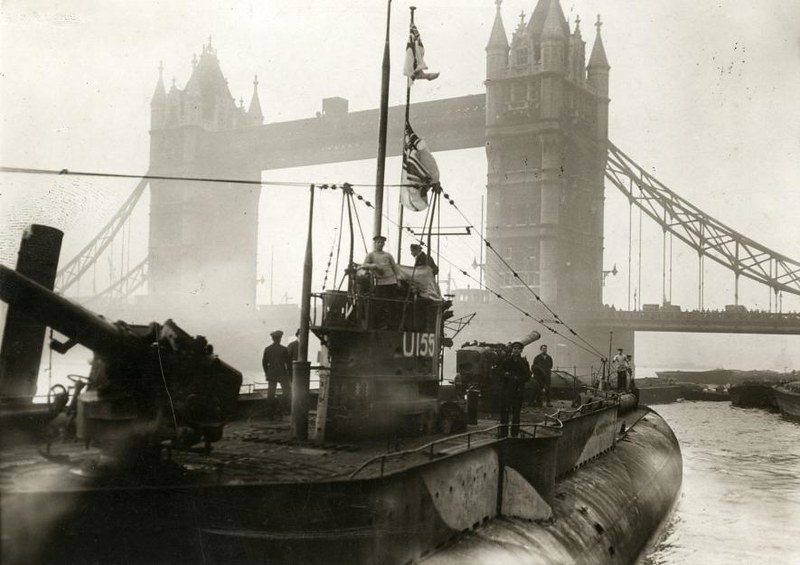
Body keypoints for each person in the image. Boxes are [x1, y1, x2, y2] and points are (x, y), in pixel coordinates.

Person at [361, 235, 401, 328]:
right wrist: (374, 266)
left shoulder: (388, 255)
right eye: (378, 242)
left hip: (391, 281)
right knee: (380, 303)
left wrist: (398, 281)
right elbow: (364, 265)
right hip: (380, 283)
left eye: (382, 243)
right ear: (375, 243)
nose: (380, 244)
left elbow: (395, 269)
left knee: (391, 304)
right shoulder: (371, 255)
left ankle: (392, 324)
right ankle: (380, 324)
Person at [499, 341, 531, 438]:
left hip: (518, 391)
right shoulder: (506, 361)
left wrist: (518, 378)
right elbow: (499, 372)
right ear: (512, 350)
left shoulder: (524, 362)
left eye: (518, 349)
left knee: (516, 414)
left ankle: (514, 434)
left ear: (521, 350)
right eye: (514, 349)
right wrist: (504, 374)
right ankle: (503, 433)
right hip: (507, 390)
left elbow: (528, 376)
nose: (516, 350)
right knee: (504, 412)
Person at [262, 330, 292, 412]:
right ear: (280, 339)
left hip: (271, 374)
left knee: (271, 394)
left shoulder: (267, 349)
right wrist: (290, 375)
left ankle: (270, 412)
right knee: (287, 392)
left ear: (272, 339)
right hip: (282, 374)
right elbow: (288, 364)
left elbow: (264, 363)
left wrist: (267, 373)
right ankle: (283, 408)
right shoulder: (284, 349)